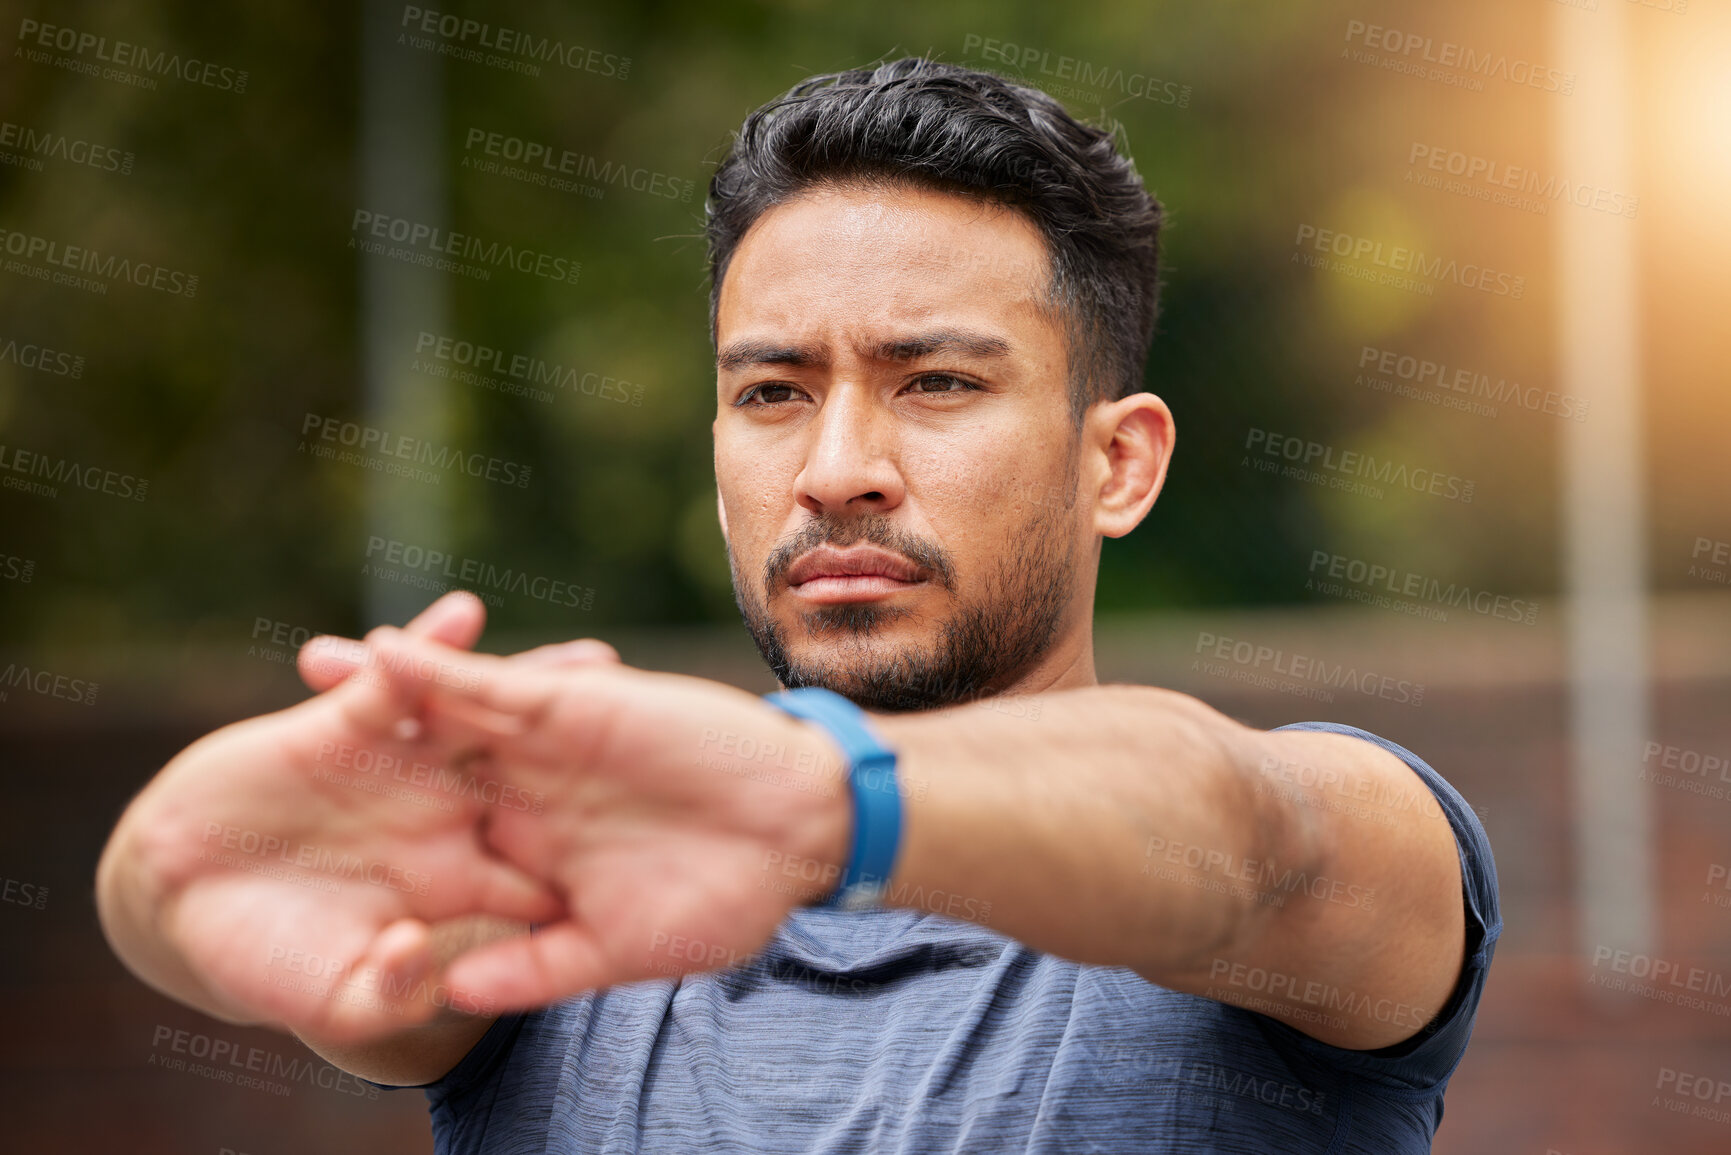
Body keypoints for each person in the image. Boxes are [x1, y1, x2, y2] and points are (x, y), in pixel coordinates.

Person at [96, 57, 1499, 1152]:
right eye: (772, 393)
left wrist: (814, 799)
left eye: (936, 382)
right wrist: (172, 866)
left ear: (1115, 461)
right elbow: (193, 882)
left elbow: (1246, 828)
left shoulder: (1323, 864)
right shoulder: (560, 905)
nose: (836, 471)